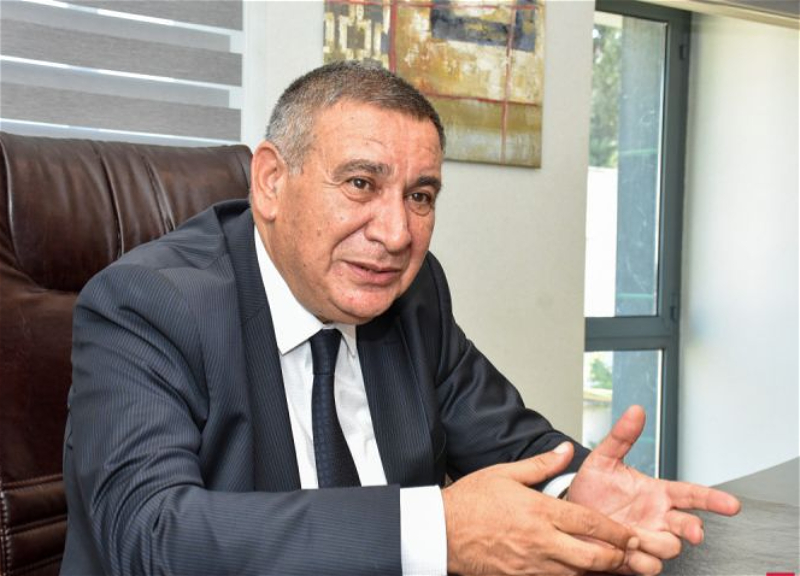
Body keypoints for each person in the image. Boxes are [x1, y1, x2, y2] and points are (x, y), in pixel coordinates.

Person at [61, 61, 739, 576]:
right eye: (361, 184)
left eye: (420, 196)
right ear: (271, 181)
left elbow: (508, 439)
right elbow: (148, 536)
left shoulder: (412, 294)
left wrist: (573, 490)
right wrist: (436, 531)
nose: (396, 234)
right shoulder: (146, 305)